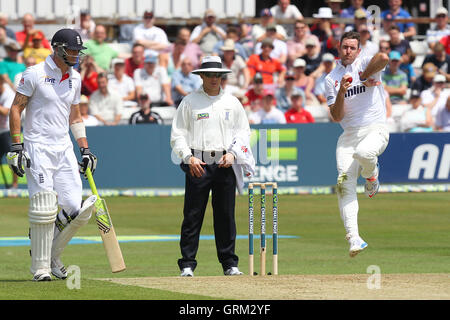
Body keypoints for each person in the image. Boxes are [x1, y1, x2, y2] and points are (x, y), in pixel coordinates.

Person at [6, 28, 98, 281]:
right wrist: (17, 147)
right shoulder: (34, 73)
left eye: (79, 51)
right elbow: (16, 109)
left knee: (73, 207)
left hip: (64, 148)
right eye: (72, 50)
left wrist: (85, 148)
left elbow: (75, 116)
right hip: (37, 146)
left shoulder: (75, 78)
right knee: (44, 206)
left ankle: (48, 251)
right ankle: (41, 268)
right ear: (57, 48)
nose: (76, 55)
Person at [170, 55, 251, 277]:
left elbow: (243, 132)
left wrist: (234, 154)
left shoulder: (232, 102)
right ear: (202, 76)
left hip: (225, 162)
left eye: (218, 75)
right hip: (198, 162)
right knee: (193, 215)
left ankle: (229, 264)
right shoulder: (189, 101)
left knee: (225, 215)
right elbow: (177, 135)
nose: (215, 79)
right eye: (210, 75)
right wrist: (188, 157)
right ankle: (187, 264)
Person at [325, 31, 390, 257]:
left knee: (364, 153)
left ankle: (372, 175)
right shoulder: (331, 78)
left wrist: (364, 76)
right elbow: (336, 116)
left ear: (358, 50)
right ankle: (354, 237)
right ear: (338, 48)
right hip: (348, 136)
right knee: (343, 184)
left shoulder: (365, 61)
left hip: (375, 129)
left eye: (352, 47)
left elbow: (383, 57)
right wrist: (341, 91)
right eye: (345, 47)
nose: (348, 51)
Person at [0, 75, 17, 188]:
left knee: (13, 158)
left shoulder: (8, 94)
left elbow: (6, 112)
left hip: (8, 131)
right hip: (1, 131)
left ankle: (14, 186)